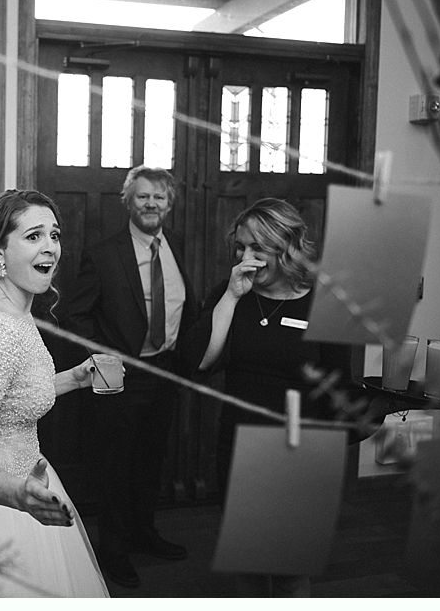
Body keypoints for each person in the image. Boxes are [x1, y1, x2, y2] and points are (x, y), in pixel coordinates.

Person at [190, 197, 374, 597]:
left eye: (258, 248)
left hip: (298, 449)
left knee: (290, 571)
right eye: (240, 246)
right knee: (249, 567)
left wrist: (374, 410)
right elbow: (203, 361)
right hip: (238, 444)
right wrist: (232, 296)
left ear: (286, 248)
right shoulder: (230, 292)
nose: (246, 257)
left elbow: (339, 385)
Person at [0, 189, 109, 597]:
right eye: (33, 236)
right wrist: (18, 496)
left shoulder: (13, 311)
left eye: (54, 235)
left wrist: (73, 379)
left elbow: (8, 397)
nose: (50, 247)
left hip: (25, 481)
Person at [64, 166, 198, 589]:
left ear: (170, 203)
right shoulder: (104, 254)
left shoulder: (175, 246)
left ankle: (144, 534)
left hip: (165, 372)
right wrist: (102, 363)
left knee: (150, 461)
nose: (151, 204)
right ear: (128, 202)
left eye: (159, 197)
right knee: (116, 467)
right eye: (143, 197)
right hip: (120, 377)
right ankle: (114, 551)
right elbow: (74, 316)